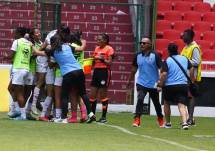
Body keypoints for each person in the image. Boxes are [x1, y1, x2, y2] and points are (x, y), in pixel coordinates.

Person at [48, 29, 96, 123]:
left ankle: (64, 118)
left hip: (68, 73)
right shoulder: (68, 47)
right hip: (79, 70)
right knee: (83, 93)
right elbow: (80, 48)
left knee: (64, 96)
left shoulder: (52, 51)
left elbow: (41, 54)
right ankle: (91, 114)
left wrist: (35, 49)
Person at [127, 37, 164, 127]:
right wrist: (129, 80)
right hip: (141, 83)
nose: (142, 44)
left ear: (150, 45)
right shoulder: (137, 55)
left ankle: (160, 118)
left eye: (144, 43)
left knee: (156, 103)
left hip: (153, 84)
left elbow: (161, 69)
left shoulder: (155, 55)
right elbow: (133, 69)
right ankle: (137, 119)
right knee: (140, 99)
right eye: (141, 43)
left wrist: (160, 82)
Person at [157, 43, 194, 130]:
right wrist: (192, 80)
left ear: (168, 51)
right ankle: (184, 123)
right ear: (177, 50)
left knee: (166, 103)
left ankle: (168, 123)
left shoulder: (167, 60)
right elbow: (191, 68)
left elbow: (164, 73)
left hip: (169, 86)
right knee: (182, 105)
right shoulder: (184, 58)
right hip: (182, 85)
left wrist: (160, 84)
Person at [89, 33, 114, 123]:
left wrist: (102, 59)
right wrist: (92, 61)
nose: (97, 41)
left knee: (103, 95)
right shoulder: (96, 48)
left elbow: (110, 63)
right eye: (97, 39)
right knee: (92, 95)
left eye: (99, 40)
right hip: (96, 72)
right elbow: (94, 61)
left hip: (104, 72)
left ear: (105, 41)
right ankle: (92, 116)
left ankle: (103, 117)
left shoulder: (109, 49)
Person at [181, 29, 202, 126]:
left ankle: (190, 118)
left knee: (190, 97)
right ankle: (191, 118)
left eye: (184, 35)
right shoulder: (186, 47)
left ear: (190, 36)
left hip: (192, 77)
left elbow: (196, 62)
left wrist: (185, 61)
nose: (182, 37)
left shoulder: (194, 47)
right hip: (185, 76)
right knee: (187, 97)